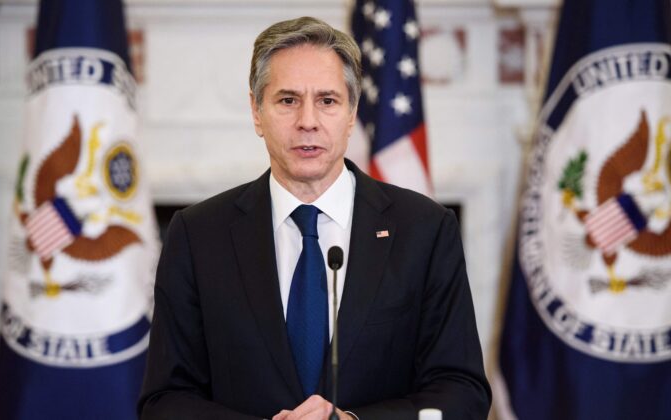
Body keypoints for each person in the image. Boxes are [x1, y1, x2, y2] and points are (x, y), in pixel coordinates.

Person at [138, 16, 491, 420]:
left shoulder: (424, 230)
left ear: (351, 112)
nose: (308, 121)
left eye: (327, 100)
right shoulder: (198, 236)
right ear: (256, 112)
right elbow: (164, 401)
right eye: (288, 100)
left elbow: (462, 392)